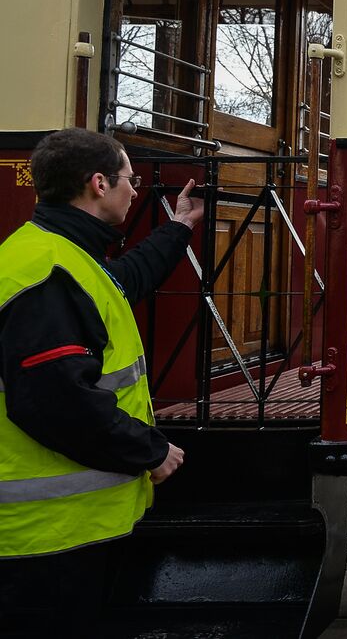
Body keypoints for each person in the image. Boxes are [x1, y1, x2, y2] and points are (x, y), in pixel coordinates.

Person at [0, 128, 204, 634]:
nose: (135, 191)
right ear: (98, 184)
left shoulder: (60, 253)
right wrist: (149, 451)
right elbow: (56, 400)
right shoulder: (48, 274)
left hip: (62, 531)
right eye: (128, 180)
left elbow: (126, 278)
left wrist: (178, 227)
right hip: (44, 539)